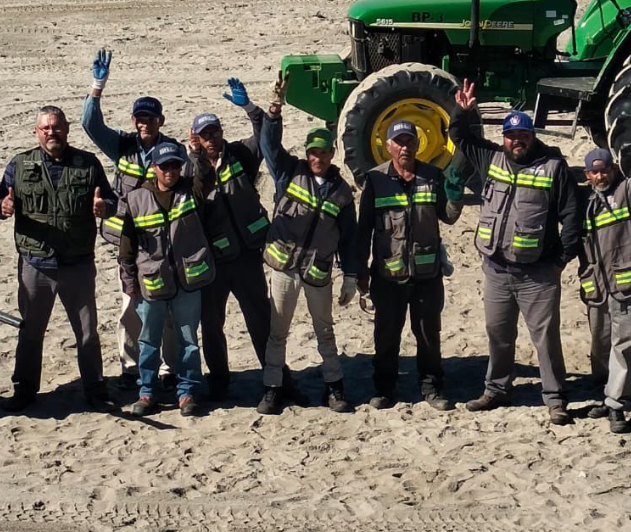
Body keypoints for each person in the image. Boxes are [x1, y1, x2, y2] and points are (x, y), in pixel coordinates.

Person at [449, 80, 583, 425]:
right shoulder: (491, 156)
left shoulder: (553, 168)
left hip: (538, 273)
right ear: (504, 137)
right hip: (496, 269)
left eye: (522, 135)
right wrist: (462, 112)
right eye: (510, 135)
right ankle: (497, 388)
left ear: (532, 136)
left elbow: (572, 216)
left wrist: (561, 260)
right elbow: (460, 138)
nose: (516, 141)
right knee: (498, 332)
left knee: (546, 338)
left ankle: (555, 399)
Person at [0, 105, 117, 411]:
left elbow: (110, 200)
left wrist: (104, 209)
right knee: (31, 332)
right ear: (37, 132)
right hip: (36, 264)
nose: (52, 133)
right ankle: (24, 390)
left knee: (87, 333)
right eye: (45, 128)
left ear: (67, 129)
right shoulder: (20, 165)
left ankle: (95, 390)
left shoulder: (87, 164)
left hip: (78, 263)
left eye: (57, 127)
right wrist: (3, 209)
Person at [256, 77, 359, 415]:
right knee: (277, 333)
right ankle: (272, 389)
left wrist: (352, 276)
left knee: (325, 332)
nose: (317, 158)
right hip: (284, 269)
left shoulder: (343, 193)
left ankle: (334, 388)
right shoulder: (289, 173)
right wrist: (274, 110)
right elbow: (270, 146)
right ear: (307, 153)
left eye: (323, 152)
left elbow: (349, 237)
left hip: (318, 274)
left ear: (332, 154)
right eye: (312, 152)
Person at [81, 48, 179, 388]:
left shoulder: (172, 152)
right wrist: (98, 85)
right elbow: (89, 125)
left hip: (163, 242)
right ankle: (130, 366)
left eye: (150, 119)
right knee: (130, 306)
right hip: (128, 241)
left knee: (164, 308)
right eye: (139, 118)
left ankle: (167, 369)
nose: (143, 124)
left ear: (160, 122)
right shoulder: (122, 146)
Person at [354, 120, 463, 411]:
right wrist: (360, 271)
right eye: (398, 142)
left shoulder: (433, 176)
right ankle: (385, 389)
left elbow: (448, 217)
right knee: (386, 335)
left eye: (409, 141)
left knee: (428, 335)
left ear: (417, 144)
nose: (405, 147)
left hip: (427, 275)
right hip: (388, 276)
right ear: (388, 146)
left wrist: (454, 196)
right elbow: (363, 229)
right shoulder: (375, 180)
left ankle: (431, 388)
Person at [187, 78, 279, 401]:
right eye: (204, 135)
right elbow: (192, 201)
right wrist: (197, 160)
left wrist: (250, 106)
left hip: (247, 257)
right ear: (195, 139)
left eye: (214, 132)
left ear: (221, 132)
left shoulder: (241, 153)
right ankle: (220, 382)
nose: (211, 139)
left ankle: (275, 379)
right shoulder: (189, 169)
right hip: (213, 262)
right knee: (211, 326)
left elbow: (265, 135)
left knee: (261, 319)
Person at [115, 140, 217, 417]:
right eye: (164, 166)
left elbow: (207, 176)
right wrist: (130, 284)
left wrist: (197, 152)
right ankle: (147, 391)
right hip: (151, 284)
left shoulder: (191, 191)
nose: (170, 171)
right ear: (154, 168)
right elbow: (126, 247)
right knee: (148, 341)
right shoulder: (136, 199)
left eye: (175, 165)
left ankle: (188, 392)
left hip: (188, 282)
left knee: (188, 341)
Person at [578, 118, 631, 434]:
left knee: (624, 345)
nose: (600, 176)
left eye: (604, 170)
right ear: (587, 175)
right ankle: (605, 394)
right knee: (601, 346)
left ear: (613, 171)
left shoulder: (627, 191)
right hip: (596, 289)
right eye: (594, 172)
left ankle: (617, 405)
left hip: (627, 286)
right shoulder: (582, 203)